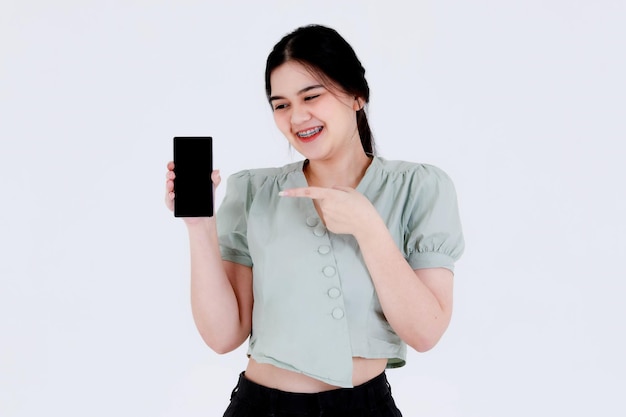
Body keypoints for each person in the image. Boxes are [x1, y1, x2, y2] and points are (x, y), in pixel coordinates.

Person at [165, 24, 464, 417]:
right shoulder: (254, 191)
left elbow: (426, 333)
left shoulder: (419, 187)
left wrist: (369, 228)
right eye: (281, 104)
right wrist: (199, 227)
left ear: (357, 96)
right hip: (261, 408)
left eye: (312, 96)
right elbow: (223, 337)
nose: (297, 116)